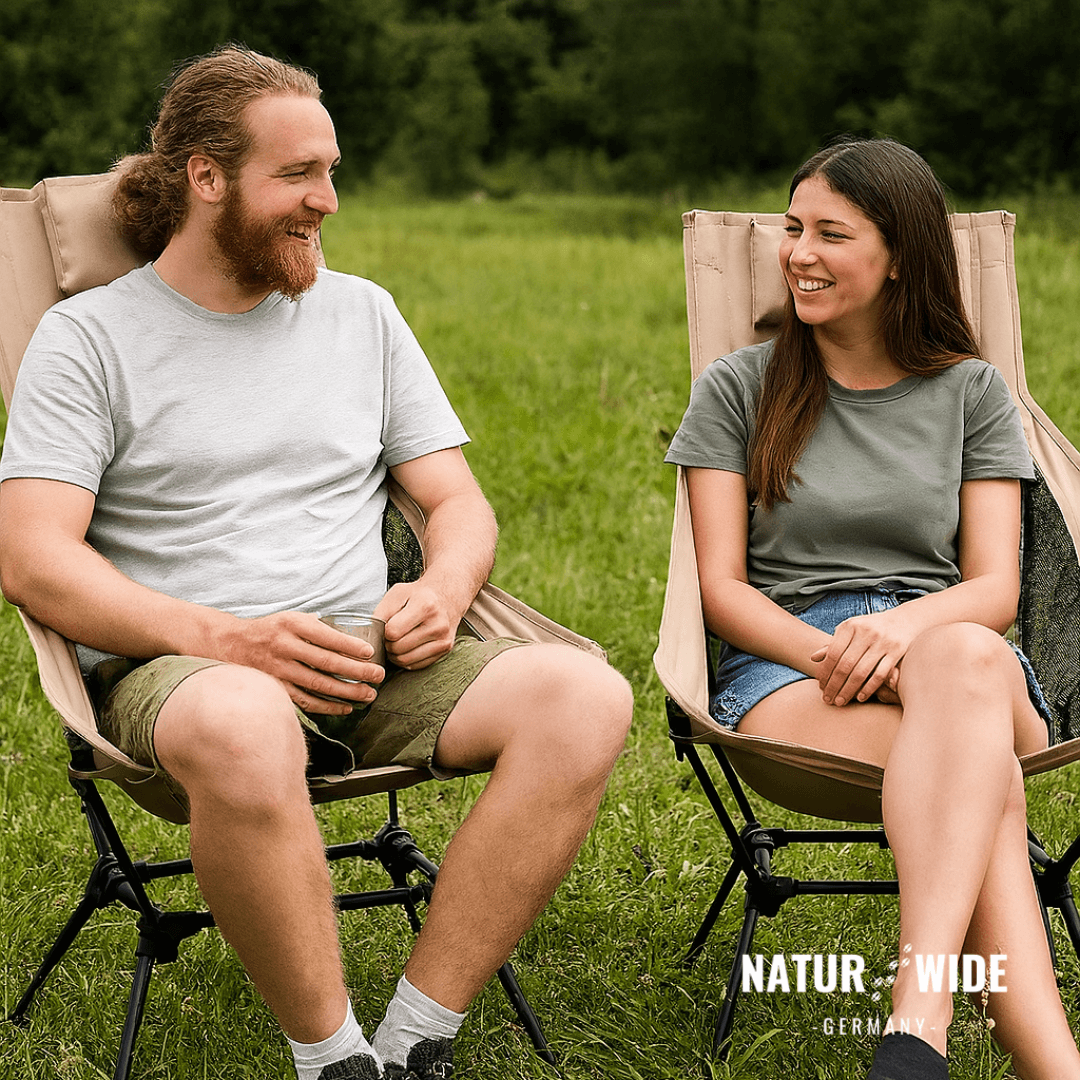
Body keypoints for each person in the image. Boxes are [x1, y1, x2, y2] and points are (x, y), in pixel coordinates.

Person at [0, 45, 632, 1080]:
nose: (326, 202)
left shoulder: (361, 314)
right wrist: (228, 639)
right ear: (206, 176)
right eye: (298, 175)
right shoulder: (89, 340)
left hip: (370, 650)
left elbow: (455, 499)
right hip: (190, 673)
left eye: (330, 172)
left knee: (585, 699)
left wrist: (441, 585)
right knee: (246, 720)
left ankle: (416, 1040)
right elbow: (32, 562)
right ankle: (334, 1060)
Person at [664, 137, 1080, 1080]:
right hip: (792, 671)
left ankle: (918, 1028)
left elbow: (995, 589)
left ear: (899, 256)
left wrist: (901, 632)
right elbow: (722, 591)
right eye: (792, 229)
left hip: (951, 652)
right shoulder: (740, 387)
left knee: (964, 661)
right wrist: (833, 654)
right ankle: (1034, 1063)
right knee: (982, 783)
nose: (798, 253)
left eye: (830, 235)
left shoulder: (972, 391)